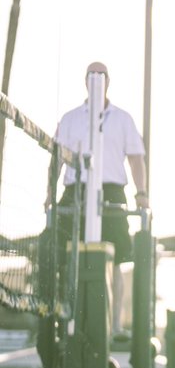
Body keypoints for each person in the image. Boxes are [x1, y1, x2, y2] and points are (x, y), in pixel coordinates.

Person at [52, 61, 148, 338]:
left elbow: (136, 158)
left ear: (108, 81)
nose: (96, 79)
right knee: (68, 257)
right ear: (85, 81)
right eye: (92, 75)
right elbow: (57, 158)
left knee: (116, 260)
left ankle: (114, 324)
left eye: (101, 75)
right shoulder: (70, 118)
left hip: (112, 192)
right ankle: (68, 321)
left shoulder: (122, 118)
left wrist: (141, 194)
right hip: (76, 190)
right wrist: (50, 193)